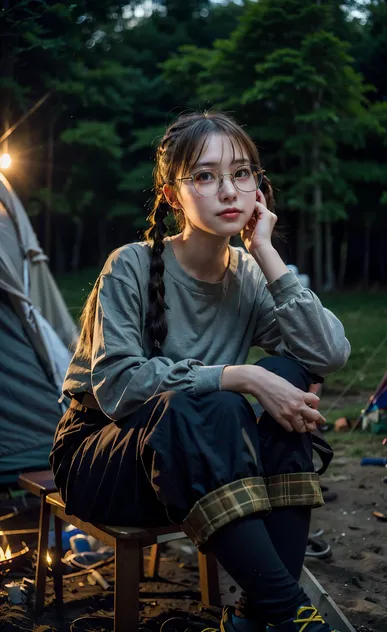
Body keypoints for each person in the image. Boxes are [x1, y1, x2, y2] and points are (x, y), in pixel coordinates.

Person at [50, 111, 350, 632]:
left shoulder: (250, 273)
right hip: (103, 458)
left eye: (242, 173)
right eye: (206, 176)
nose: (228, 190)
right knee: (214, 399)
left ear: (259, 186)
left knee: (287, 374)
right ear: (172, 196)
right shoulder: (131, 265)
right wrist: (238, 375)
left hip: (196, 462)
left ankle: (261, 617)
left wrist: (267, 253)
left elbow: (326, 354)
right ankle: (290, 614)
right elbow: (120, 387)